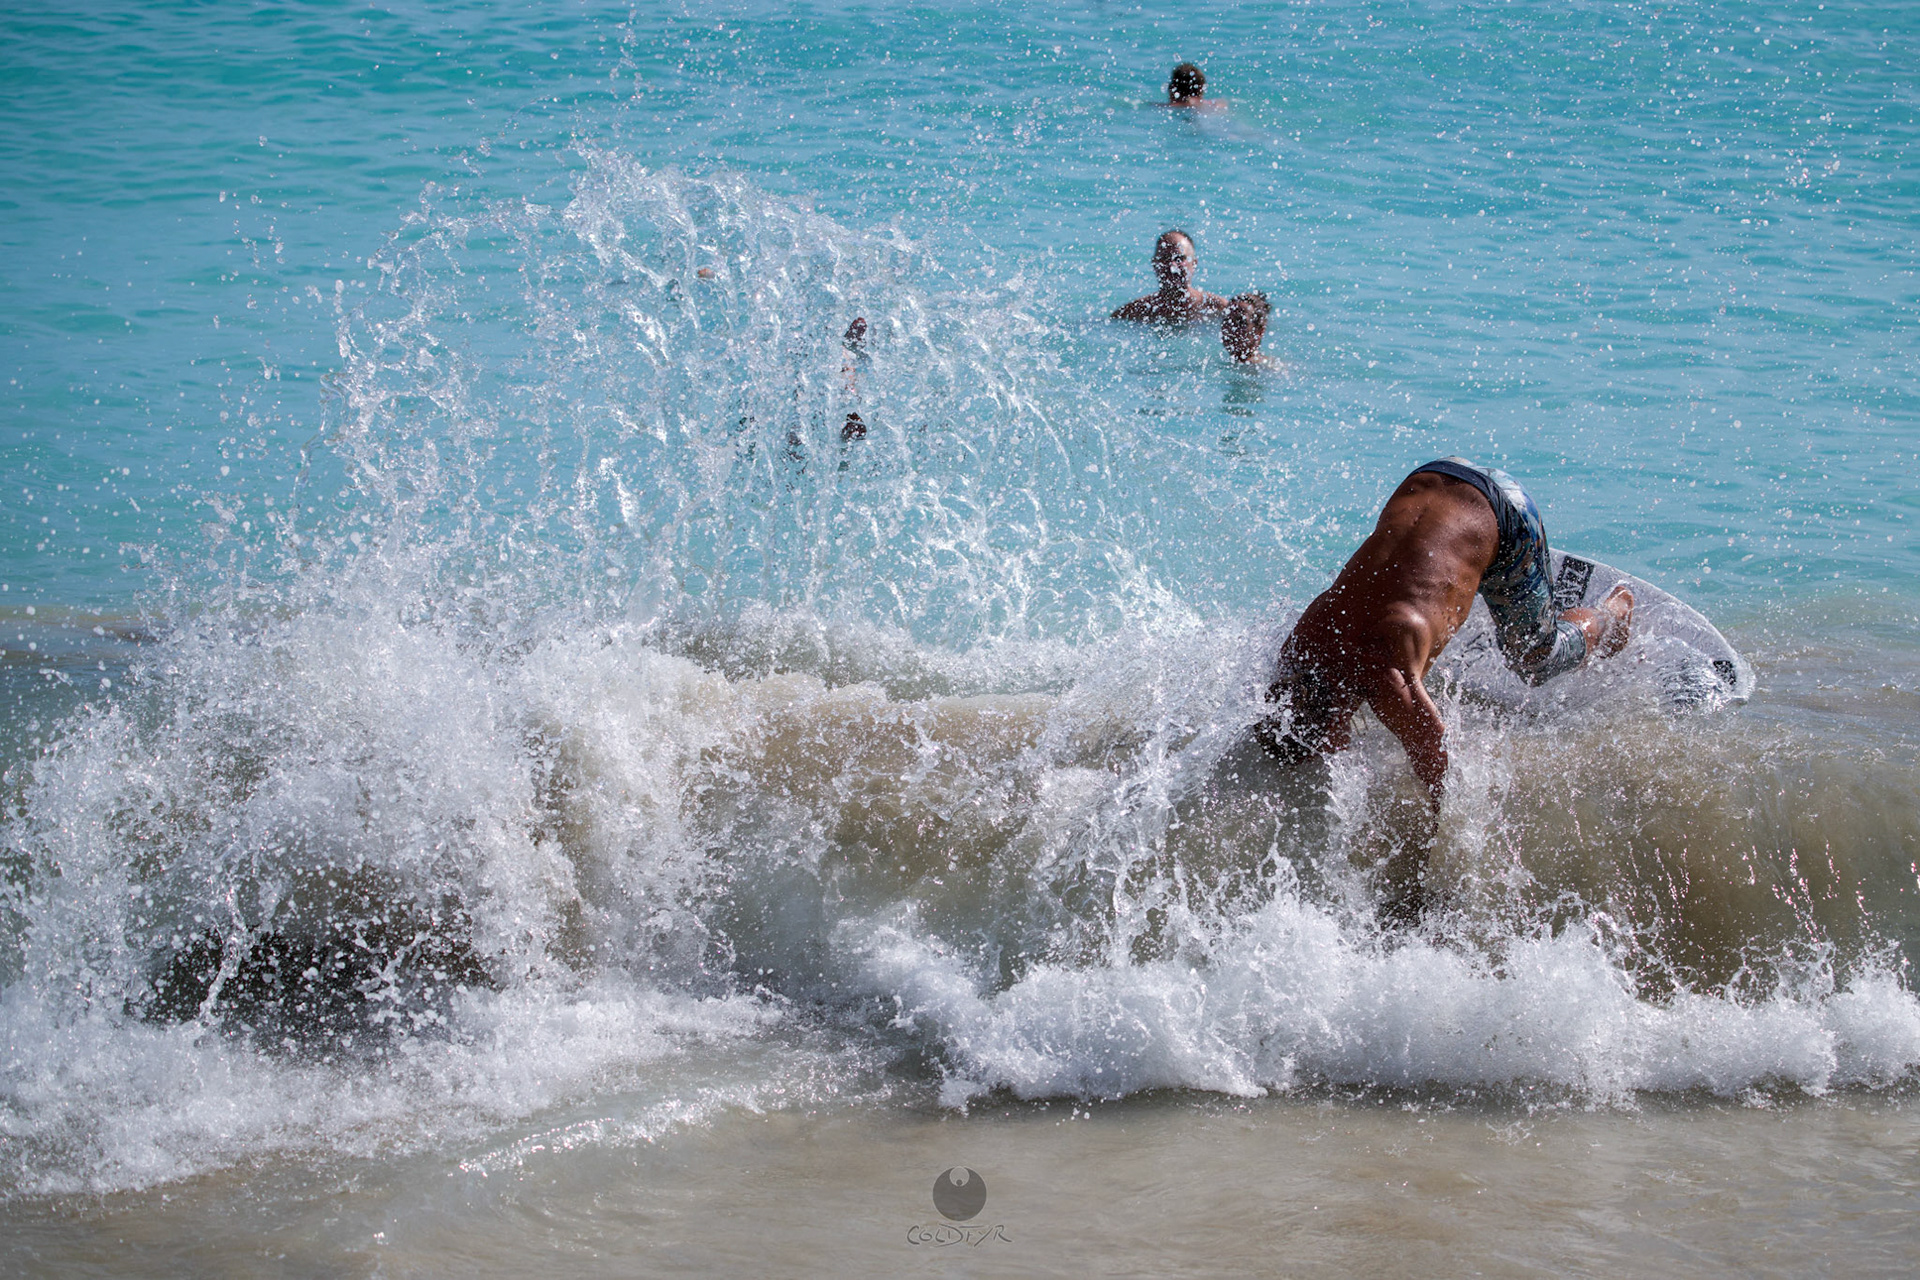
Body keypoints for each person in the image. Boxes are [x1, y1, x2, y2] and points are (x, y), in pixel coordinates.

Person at [1256, 458, 1634, 802]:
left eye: (1330, 747)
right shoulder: (1305, 639)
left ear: (1336, 720)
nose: (1336, 753)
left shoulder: (1388, 677)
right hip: (1430, 478)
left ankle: (1610, 615)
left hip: (1507, 513)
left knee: (1535, 661)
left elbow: (1440, 772)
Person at [1112, 230, 1231, 324]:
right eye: (1165, 259)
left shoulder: (1218, 309)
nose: (1172, 265)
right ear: (1155, 264)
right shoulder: (1134, 312)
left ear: (1194, 264)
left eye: (1179, 259)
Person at [1220, 291, 1272, 364]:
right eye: (1227, 320)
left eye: (1241, 322)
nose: (1230, 328)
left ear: (1259, 331)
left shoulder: (1268, 369)